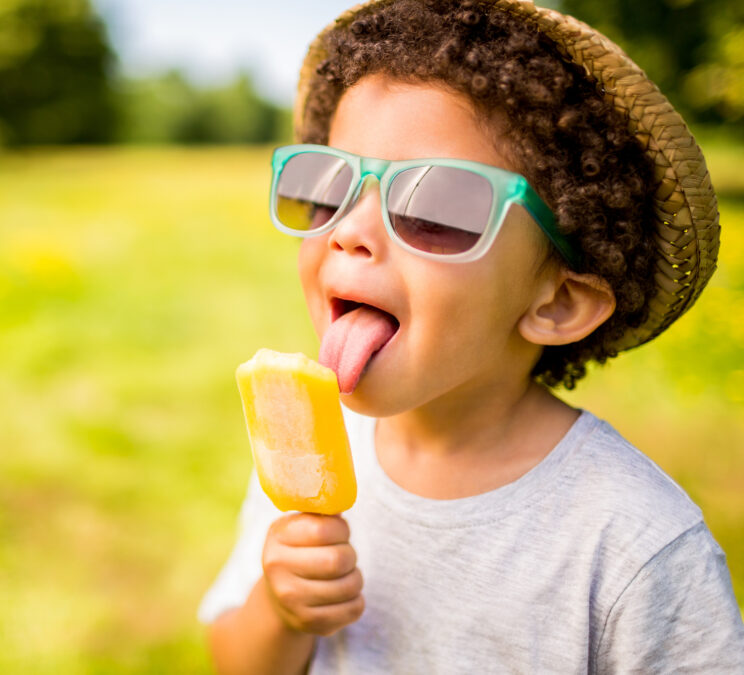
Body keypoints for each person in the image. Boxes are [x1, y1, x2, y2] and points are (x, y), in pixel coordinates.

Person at [198, 0, 744, 672]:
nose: (345, 230)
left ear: (559, 302)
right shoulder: (311, 456)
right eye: (327, 187)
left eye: (432, 206)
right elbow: (234, 660)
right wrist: (278, 611)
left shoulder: (634, 543)